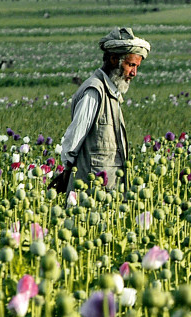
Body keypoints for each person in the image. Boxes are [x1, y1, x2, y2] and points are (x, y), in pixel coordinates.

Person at [50, 27, 150, 193]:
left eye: (137, 66)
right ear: (113, 59)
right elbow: (74, 138)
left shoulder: (112, 93)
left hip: (110, 191)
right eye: (130, 65)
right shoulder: (94, 91)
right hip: (89, 192)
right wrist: (67, 173)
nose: (134, 73)